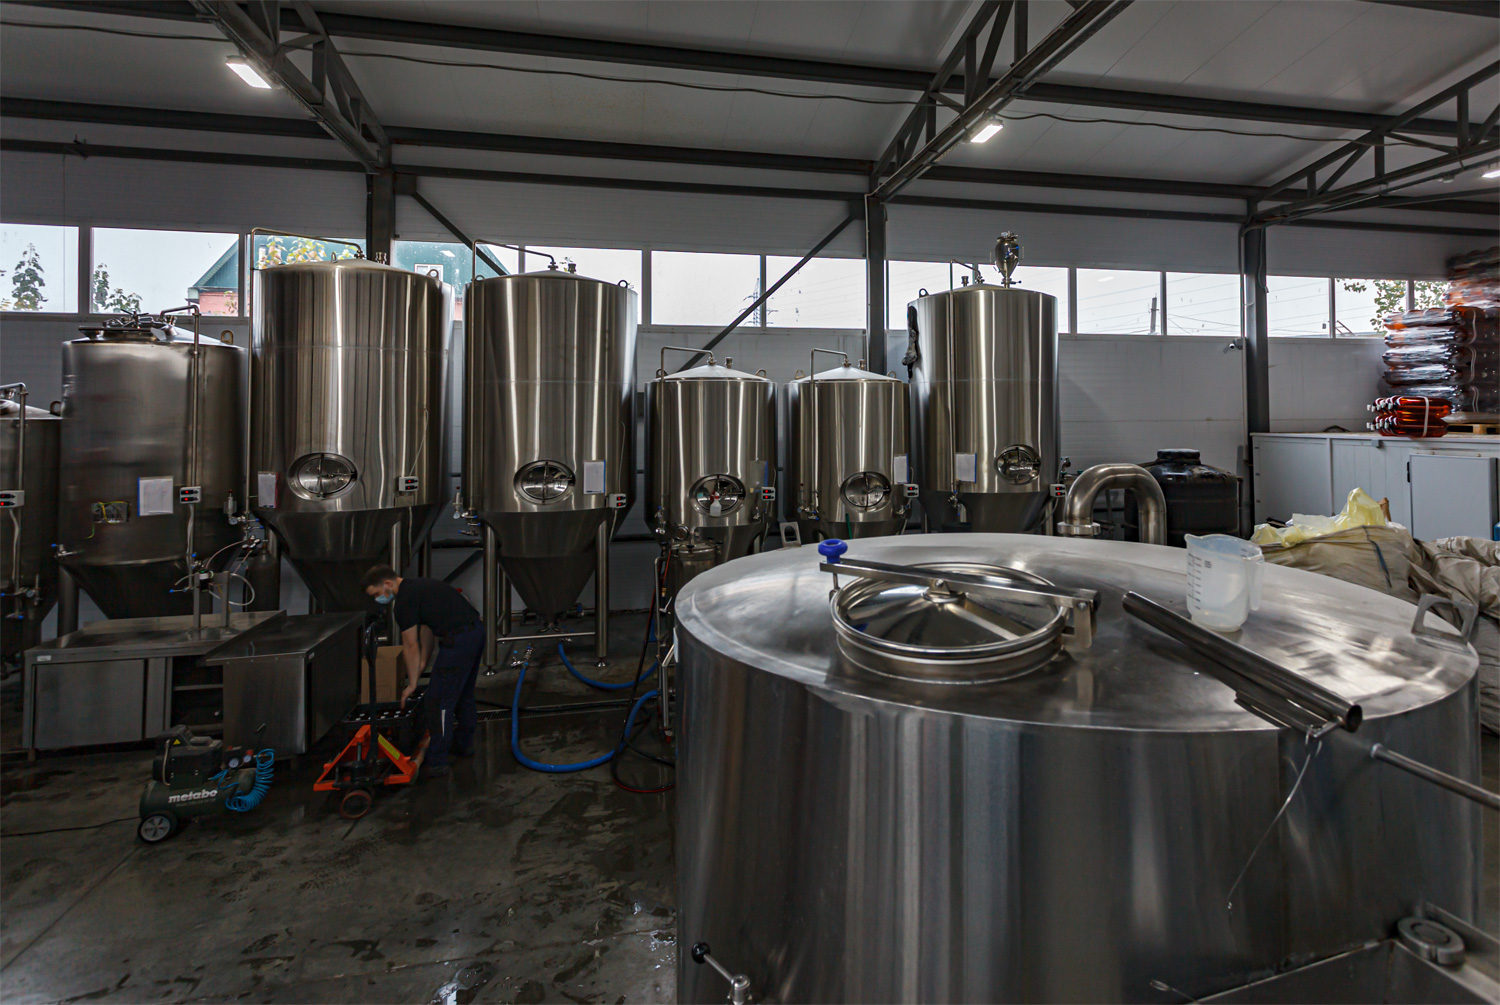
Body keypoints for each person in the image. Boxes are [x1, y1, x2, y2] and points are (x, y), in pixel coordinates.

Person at [362, 564, 485, 778]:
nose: (377, 599)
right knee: (463, 694)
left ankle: (437, 761)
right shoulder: (419, 586)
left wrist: (412, 684)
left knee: (438, 702)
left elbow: (411, 645)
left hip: (458, 641)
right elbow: (427, 630)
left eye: (376, 594)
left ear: (387, 583)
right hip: (475, 633)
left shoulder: (403, 602)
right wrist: (421, 666)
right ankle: (464, 745)